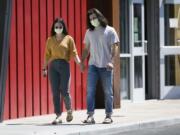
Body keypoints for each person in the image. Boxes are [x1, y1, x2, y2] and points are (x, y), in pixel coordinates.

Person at [81, 8, 119, 124]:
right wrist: (82, 62)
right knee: (90, 91)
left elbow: (115, 47)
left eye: (94, 18)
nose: (92, 20)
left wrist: (111, 62)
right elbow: (86, 49)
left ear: (99, 17)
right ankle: (90, 116)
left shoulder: (110, 30)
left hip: (106, 66)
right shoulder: (89, 32)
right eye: (91, 19)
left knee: (108, 92)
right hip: (93, 65)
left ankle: (108, 115)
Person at [43, 18, 82, 124]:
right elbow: (46, 55)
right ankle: (58, 115)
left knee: (64, 90)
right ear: (53, 28)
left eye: (60, 27)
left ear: (63, 27)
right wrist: (44, 68)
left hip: (64, 65)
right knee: (55, 92)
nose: (58, 28)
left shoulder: (69, 39)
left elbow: (74, 53)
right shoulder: (50, 40)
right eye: (56, 27)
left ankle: (69, 110)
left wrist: (79, 63)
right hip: (53, 67)